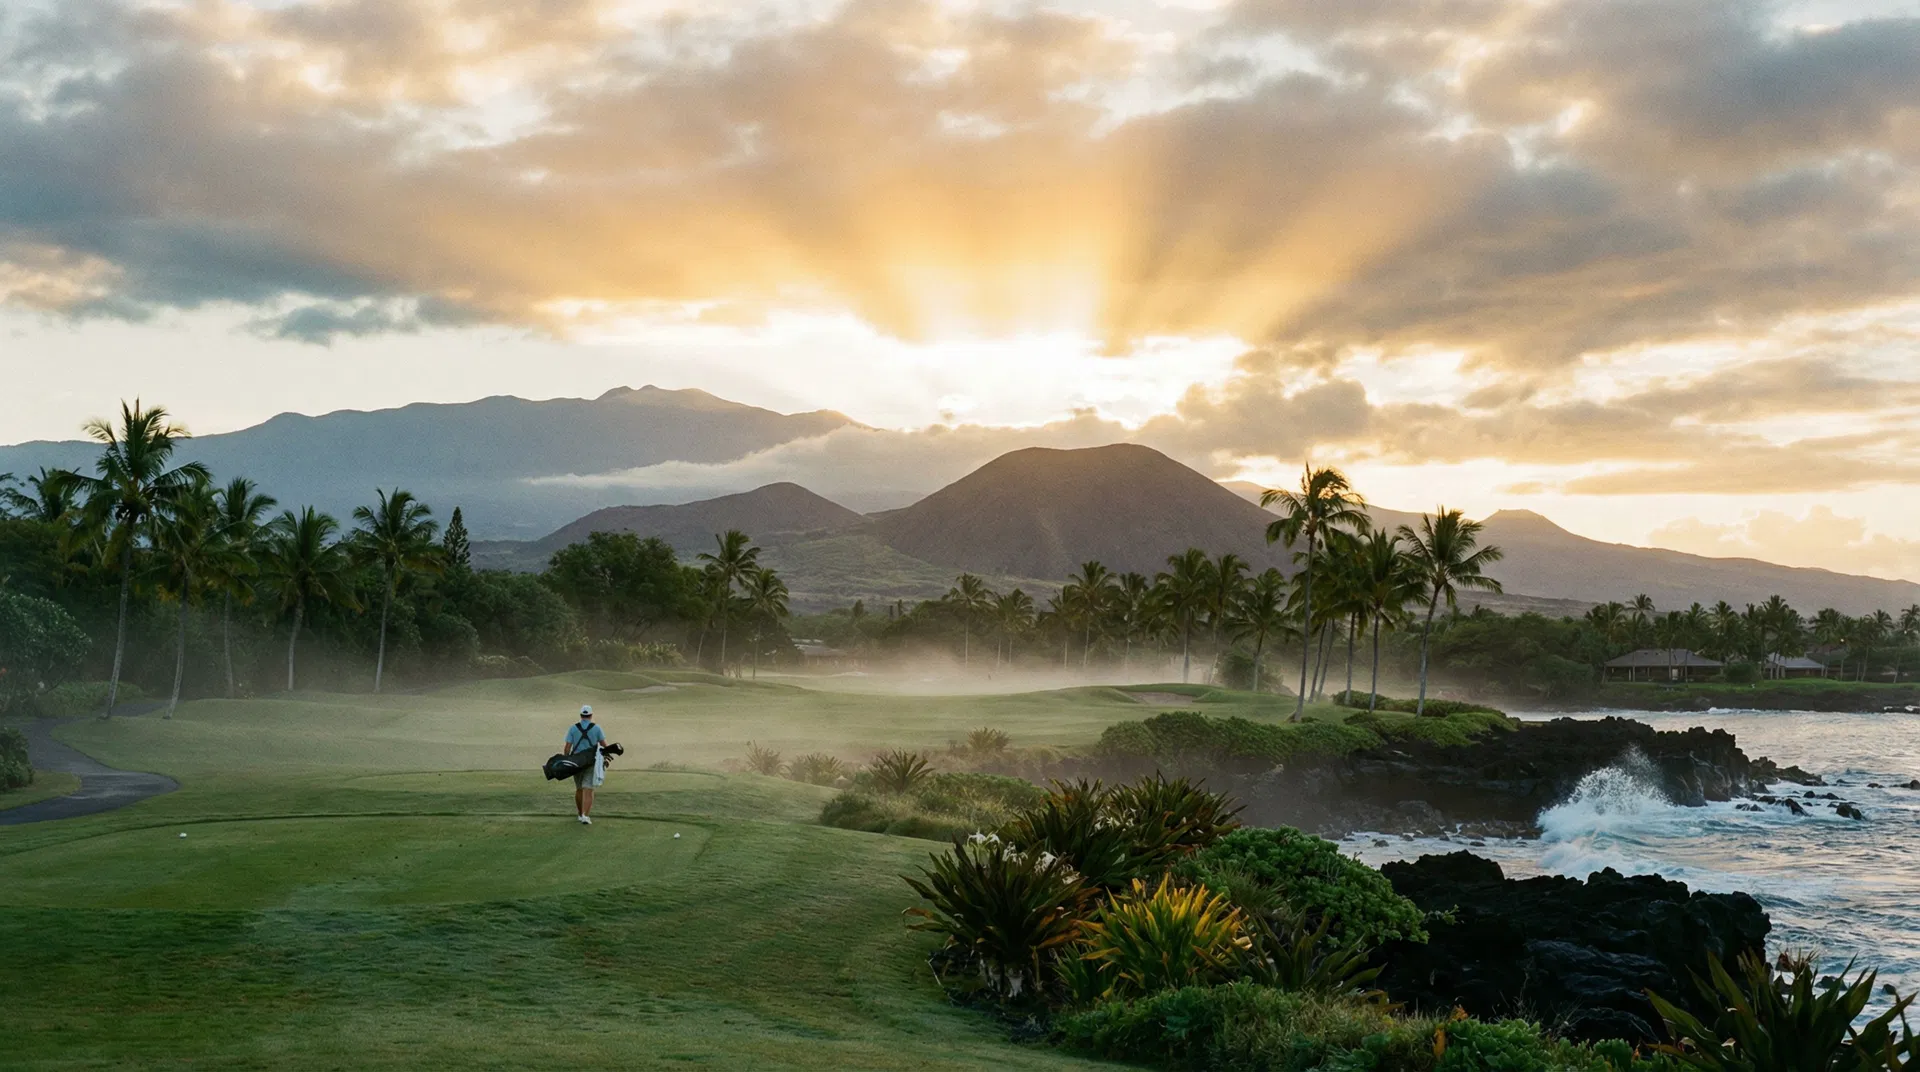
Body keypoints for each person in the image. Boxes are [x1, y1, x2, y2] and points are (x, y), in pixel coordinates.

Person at [563, 705, 606, 824]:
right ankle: (585, 816)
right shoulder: (597, 728)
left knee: (579, 789)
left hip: (576, 763)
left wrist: (567, 760)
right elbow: (604, 745)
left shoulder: (573, 728)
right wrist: (606, 758)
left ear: (581, 715)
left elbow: (567, 748)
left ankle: (579, 814)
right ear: (591, 715)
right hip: (590, 763)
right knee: (588, 789)